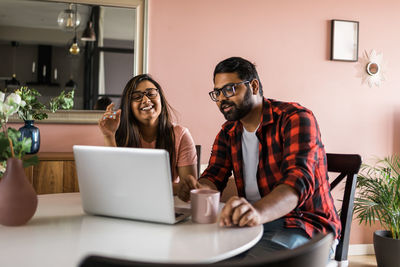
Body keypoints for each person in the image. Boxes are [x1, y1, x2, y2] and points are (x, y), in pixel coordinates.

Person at [178, 57, 341, 259]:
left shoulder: (295, 118)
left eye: (229, 89)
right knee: (197, 255)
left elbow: (296, 183)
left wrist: (256, 212)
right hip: (254, 225)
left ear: (253, 86)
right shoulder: (228, 133)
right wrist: (199, 188)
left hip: (305, 226)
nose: (221, 99)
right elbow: (213, 176)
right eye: (217, 92)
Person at [98, 74, 198, 194]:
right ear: (128, 106)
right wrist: (108, 135)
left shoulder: (180, 135)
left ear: (161, 99)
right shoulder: (119, 135)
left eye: (151, 94)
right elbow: (115, 183)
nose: (146, 100)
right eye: (137, 96)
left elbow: (189, 190)